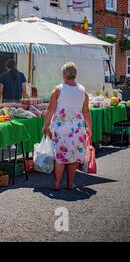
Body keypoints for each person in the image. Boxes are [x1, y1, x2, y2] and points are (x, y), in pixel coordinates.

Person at [42, 62, 92, 191]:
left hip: (61, 128)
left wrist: (46, 125)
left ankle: (57, 184)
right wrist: (89, 127)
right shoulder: (83, 90)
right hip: (78, 128)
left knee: (60, 157)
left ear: (64, 74)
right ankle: (70, 184)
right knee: (74, 157)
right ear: (75, 74)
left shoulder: (58, 90)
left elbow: (51, 109)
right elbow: (86, 110)